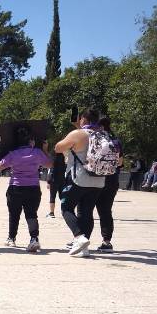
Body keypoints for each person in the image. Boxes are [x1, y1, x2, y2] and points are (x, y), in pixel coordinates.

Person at [55, 108, 106, 257]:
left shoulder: (78, 134)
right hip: (98, 179)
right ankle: (84, 248)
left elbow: (58, 148)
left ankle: (79, 237)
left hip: (79, 178)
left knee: (66, 208)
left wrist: (74, 132)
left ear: (83, 119)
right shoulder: (103, 134)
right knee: (86, 212)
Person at [0, 127, 53, 252]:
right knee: (31, 214)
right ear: (31, 141)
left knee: (14, 214)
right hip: (33, 188)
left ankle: (11, 238)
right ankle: (34, 239)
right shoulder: (37, 152)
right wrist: (45, 150)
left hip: (15, 187)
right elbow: (49, 164)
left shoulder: (13, 154)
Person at [94, 116, 123, 252]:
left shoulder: (96, 139)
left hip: (95, 179)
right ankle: (107, 241)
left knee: (85, 209)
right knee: (106, 211)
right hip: (112, 180)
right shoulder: (116, 141)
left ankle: (81, 238)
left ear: (100, 126)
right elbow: (121, 163)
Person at [46, 152, 66, 218]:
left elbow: (51, 171)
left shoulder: (53, 161)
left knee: (52, 196)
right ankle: (65, 211)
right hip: (62, 180)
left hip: (54, 181)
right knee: (62, 197)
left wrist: (48, 181)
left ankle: (52, 213)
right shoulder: (63, 162)